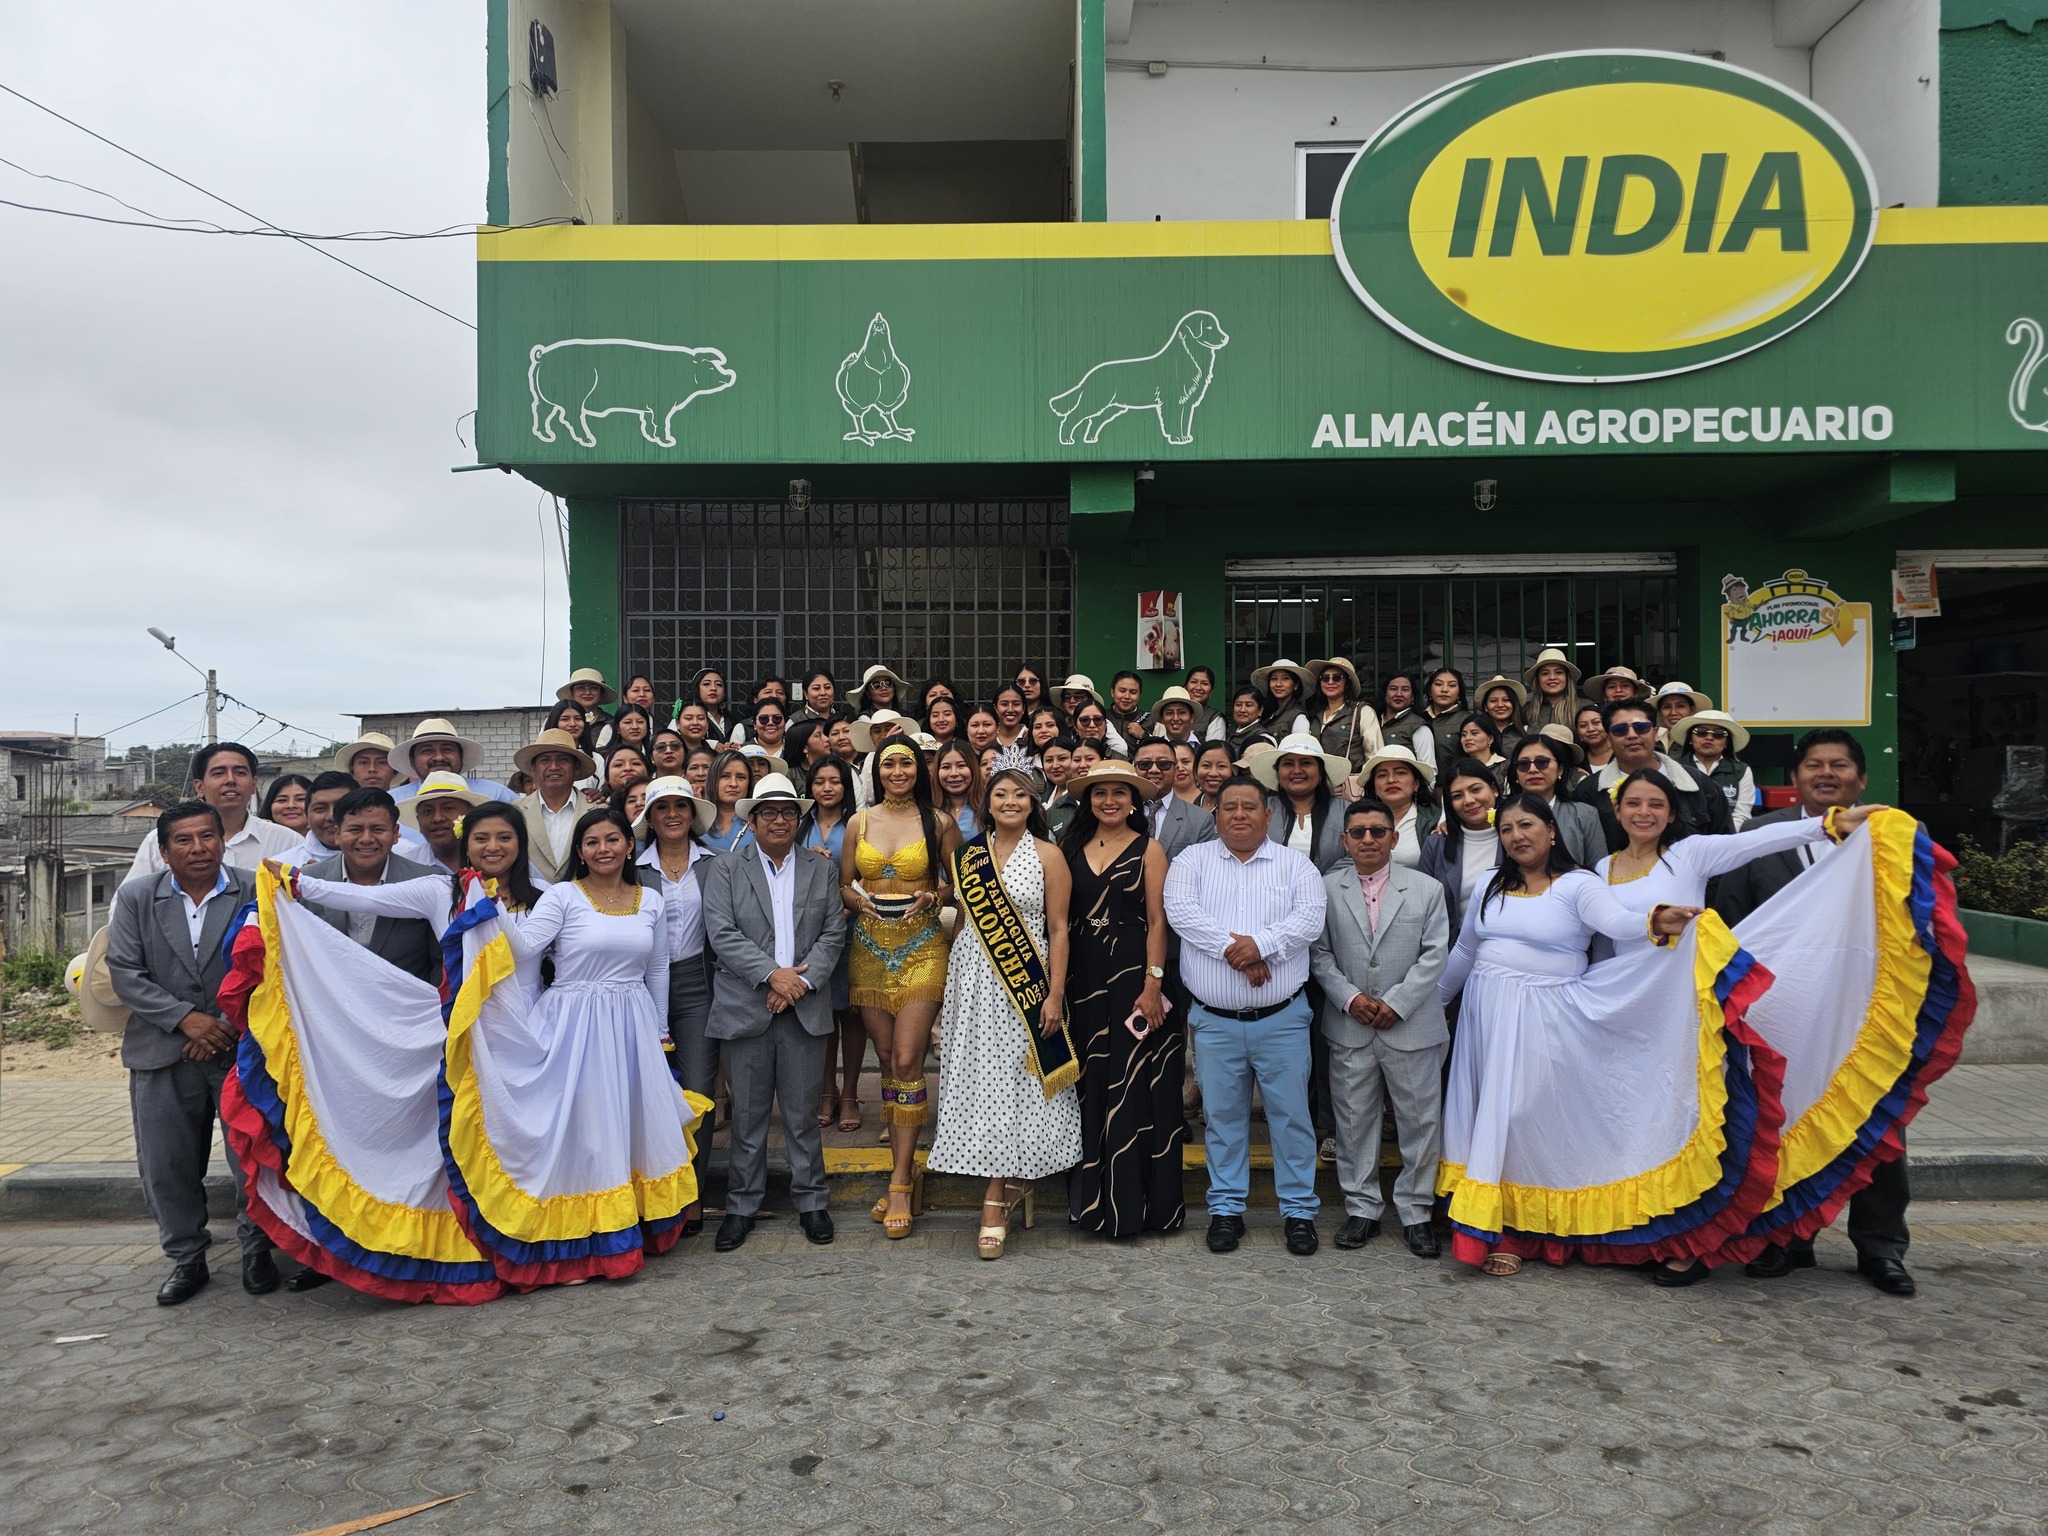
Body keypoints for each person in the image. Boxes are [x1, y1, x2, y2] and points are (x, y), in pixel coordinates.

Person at [1436, 792, 1713, 1276]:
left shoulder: (1579, 884)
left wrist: (1653, 920)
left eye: (1527, 825)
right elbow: (1464, 950)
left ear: (1551, 830)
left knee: (1522, 1116)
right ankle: (1500, 1228)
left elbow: (1616, 923)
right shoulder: (1489, 884)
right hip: (1485, 1015)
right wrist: (1433, 1004)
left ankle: (1528, 1229)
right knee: (1489, 1115)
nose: (1517, 836)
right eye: (1507, 829)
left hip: (1545, 1018)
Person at [447, 805, 700, 1283]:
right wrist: (491, 902)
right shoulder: (563, 895)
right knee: (586, 1132)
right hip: (576, 1025)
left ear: (630, 845)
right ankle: (582, 1240)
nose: (603, 849)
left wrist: (661, 1030)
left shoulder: (650, 899)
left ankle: (627, 1225)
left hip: (632, 1023)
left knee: (627, 1126)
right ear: (580, 852)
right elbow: (525, 947)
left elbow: (658, 968)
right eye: (592, 842)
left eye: (612, 839)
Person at [1712, 730, 1919, 1295]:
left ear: (1861, 778)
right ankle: (1786, 1239)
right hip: (1783, 1010)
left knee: (1878, 1127)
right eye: (1813, 765)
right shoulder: (1760, 835)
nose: (1826, 773)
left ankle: (1881, 1249)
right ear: (1795, 777)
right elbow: (1732, 919)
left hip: (1870, 1012)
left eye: (1840, 765)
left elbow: (1920, 919)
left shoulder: (1893, 834)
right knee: (1785, 1125)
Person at [107, 803, 274, 1304]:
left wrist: (221, 1023)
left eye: (207, 836)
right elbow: (125, 971)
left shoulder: (255, 888)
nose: (198, 848)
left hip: (241, 1047)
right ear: (164, 851)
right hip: (163, 1049)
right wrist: (186, 1019)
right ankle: (186, 1257)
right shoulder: (137, 896)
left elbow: (271, 962)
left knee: (253, 1157)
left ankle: (257, 1248)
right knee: (167, 1162)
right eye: (184, 840)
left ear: (223, 841)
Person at [1165, 776, 1329, 1255]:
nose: (1239, 814)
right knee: (1222, 1120)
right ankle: (1226, 1210)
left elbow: (1309, 920)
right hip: (1214, 1021)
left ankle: (1299, 1212)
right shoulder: (1191, 861)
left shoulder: (1296, 865)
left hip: (1282, 1019)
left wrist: (1262, 945)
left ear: (1268, 815)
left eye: (1249, 807)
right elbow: (1182, 913)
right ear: (1215, 815)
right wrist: (1238, 950)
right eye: (1229, 807)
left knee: (1291, 1119)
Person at [928, 769, 1085, 1258]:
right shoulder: (968, 855)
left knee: (1019, 1082)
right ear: (988, 803)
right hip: (973, 982)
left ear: (1033, 803)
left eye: (1020, 794)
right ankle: (1011, 1182)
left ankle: (997, 1196)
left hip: (1026, 984)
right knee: (982, 1082)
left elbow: (1059, 930)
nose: (1010, 801)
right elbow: (960, 920)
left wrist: (1054, 994)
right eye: (1000, 794)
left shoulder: (1049, 855)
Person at [699, 774, 848, 1252]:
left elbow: (833, 932)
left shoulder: (821, 868)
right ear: (752, 820)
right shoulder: (725, 868)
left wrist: (797, 983)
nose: (779, 820)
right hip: (746, 1005)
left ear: (798, 819)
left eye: (788, 812)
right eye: (769, 812)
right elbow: (721, 932)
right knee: (748, 1117)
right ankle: (741, 1206)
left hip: (803, 1005)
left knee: (803, 1116)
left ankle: (812, 1202)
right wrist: (771, 975)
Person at [1311, 800, 1452, 1257]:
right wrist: (1349, 997)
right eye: (1358, 832)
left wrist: (1397, 1002)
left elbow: (1435, 953)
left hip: (1411, 1024)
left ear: (1394, 838)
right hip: (1350, 1023)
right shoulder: (1326, 889)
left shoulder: (1427, 888)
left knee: (1420, 1122)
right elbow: (1318, 953)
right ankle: (1362, 1208)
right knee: (1353, 1122)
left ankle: (1416, 1212)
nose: (1368, 839)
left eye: (1377, 831)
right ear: (1344, 840)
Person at [841, 741, 959, 1236]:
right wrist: (857, 901)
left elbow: (959, 885)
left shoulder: (940, 822)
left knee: (909, 1060)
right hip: (869, 950)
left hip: (923, 949)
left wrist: (933, 896)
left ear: (919, 769)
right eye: (888, 762)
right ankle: (905, 1168)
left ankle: (899, 1184)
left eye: (906, 762)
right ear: (877, 771)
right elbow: (844, 884)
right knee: (888, 1061)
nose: (897, 770)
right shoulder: (859, 822)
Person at [1060, 760, 1181, 1237]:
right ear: (1087, 801)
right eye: (1099, 793)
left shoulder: (1150, 849)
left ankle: (1136, 1209)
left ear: (1134, 801)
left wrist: (1153, 985)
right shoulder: (1069, 848)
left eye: (1119, 792)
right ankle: (1090, 1206)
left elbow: (1158, 921)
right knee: (1089, 1088)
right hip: (1082, 981)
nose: (1109, 800)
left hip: (1134, 980)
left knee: (1134, 1090)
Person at [626, 776, 719, 1232]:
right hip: (638, 988)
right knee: (644, 1093)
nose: (673, 815)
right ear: (650, 818)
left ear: (693, 813)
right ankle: (646, 1196)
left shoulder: (716, 864)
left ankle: (693, 1195)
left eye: (681, 806)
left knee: (698, 1090)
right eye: (662, 808)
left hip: (699, 986)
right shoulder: (632, 869)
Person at [298, 788, 442, 984]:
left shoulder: (429, 882)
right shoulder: (305, 883)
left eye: (378, 829)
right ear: (337, 834)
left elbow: (442, 964)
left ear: (395, 834)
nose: (366, 839)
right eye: (355, 830)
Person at [126, 743, 301, 884]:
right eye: (219, 773)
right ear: (199, 787)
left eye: (240, 773)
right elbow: (127, 903)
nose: (231, 780)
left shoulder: (287, 841)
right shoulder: (159, 841)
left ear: (253, 784)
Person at [799, 758, 863, 1132]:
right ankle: (827, 1091)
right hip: (811, 934)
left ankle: (851, 1093)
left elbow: (867, 874)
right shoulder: (799, 824)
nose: (827, 788)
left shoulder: (859, 823)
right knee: (821, 1012)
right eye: (819, 781)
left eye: (835, 781)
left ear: (846, 787)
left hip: (853, 927)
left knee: (852, 1014)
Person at [1580, 699, 1734, 845]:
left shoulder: (1700, 785)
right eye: (1620, 730)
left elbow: (1725, 849)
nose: (1632, 735)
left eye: (1641, 728)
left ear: (1655, 733)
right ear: (1609, 738)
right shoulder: (1589, 792)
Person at [1416, 758, 1501, 938]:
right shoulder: (1436, 844)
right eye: (1457, 796)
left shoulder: (1516, 839)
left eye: (1475, 789)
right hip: (1452, 947)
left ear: (1494, 789)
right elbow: (1421, 906)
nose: (1468, 800)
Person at [1507, 728, 1606, 872]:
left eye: (1542, 762)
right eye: (1523, 764)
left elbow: (1598, 869)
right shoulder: (1503, 815)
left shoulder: (1585, 814)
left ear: (1560, 769)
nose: (1532, 770)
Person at [1252, 733, 1351, 872]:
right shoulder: (1260, 810)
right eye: (1288, 764)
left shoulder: (1346, 812)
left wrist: (1323, 881)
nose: (1297, 770)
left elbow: (1356, 856)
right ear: (1278, 772)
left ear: (1320, 772)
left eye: (1306, 763)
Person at [515, 727, 597, 885]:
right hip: (528, 898)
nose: (553, 766)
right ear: (534, 768)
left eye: (563, 759)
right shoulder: (515, 812)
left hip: (586, 897)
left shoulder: (598, 810)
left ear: (576, 767)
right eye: (545, 760)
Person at [387, 719, 517, 805]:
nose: (439, 757)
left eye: (447, 749)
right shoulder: (394, 801)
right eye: (427, 751)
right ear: (412, 761)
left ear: (461, 756)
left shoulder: (496, 795)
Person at [1132, 738, 1217, 859]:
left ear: (1175, 768)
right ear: (1135, 768)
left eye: (1163, 764)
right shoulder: (1119, 813)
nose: (1154, 770)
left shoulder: (1201, 820)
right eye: (1145, 764)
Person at [1303, 657, 1383, 785]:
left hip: (1351, 786)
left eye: (1337, 678)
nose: (1330, 682)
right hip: (1318, 787)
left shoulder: (1362, 711)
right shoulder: (1315, 715)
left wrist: (1365, 784)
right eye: (1325, 678)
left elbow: (1374, 755)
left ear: (1347, 683)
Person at [1672, 710, 1755, 829]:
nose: (1709, 738)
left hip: (1727, 836)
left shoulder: (1741, 771)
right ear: (1690, 739)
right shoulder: (1674, 767)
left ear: (1727, 742)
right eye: (1701, 732)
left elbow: (1741, 816)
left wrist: (1721, 837)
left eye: (1719, 734)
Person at [1362, 744, 1440, 868]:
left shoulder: (1437, 820)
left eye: (1400, 773)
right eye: (1382, 775)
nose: (1391, 780)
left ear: (1416, 783)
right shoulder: (1359, 820)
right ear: (1374, 787)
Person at [400, 770, 487, 876]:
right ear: (418, 820)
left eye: (448, 808)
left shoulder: (491, 859)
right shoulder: (405, 868)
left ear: (470, 814)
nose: (437, 818)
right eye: (427, 811)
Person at [701, 749, 757, 852]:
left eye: (741, 777)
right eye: (725, 776)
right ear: (712, 780)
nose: (733, 784)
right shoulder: (697, 822)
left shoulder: (759, 822)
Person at [1520, 648, 1583, 734]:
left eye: (1559, 672)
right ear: (1537, 679)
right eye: (1545, 673)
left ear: (1567, 677)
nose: (1552, 677)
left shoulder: (1583, 707)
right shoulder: (1526, 711)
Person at [933, 739, 986, 839]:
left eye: (961, 766)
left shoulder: (989, 807)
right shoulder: (927, 810)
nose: (954, 773)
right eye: (946, 767)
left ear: (973, 768)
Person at [1471, 675, 1527, 768]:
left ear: (1514, 704)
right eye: (1493, 701)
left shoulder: (1528, 731)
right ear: (1485, 707)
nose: (1500, 705)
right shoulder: (1476, 734)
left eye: (1506, 700)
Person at [1419, 668, 1471, 766]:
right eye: (1438, 684)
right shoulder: (1418, 720)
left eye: (1452, 685)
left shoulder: (1468, 721)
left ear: (1459, 693)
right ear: (1429, 691)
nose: (1444, 690)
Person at [1251, 659, 1312, 737]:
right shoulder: (1268, 713)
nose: (1278, 684)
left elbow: (1301, 743)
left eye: (1285, 679)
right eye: (1274, 679)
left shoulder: (1299, 717)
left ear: (1296, 685)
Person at [558, 667, 621, 743]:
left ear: (601, 693)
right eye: (581, 688)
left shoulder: (612, 723)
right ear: (572, 693)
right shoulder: (558, 722)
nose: (587, 692)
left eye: (593, 688)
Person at [1454, 715, 1510, 788]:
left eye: (1474, 733)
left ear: (1490, 739)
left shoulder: (1505, 767)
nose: (1467, 738)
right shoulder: (1457, 769)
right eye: (1463, 735)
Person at [689, 667, 741, 743]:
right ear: (697, 689)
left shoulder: (731, 720)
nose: (713, 688)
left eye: (719, 684)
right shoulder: (686, 718)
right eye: (706, 684)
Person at [1223, 685, 1275, 761]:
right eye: (1238, 705)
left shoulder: (1263, 738)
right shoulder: (1228, 732)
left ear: (1260, 710)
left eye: (1248, 705)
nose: (1242, 710)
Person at [331, 732, 398, 790]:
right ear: (352, 768)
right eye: (364, 762)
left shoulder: (402, 801)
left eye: (381, 762)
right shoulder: (338, 801)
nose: (372, 769)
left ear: (394, 769)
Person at [1107, 670, 1149, 744]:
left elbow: (1162, 747)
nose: (1127, 696)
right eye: (1122, 691)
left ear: (1139, 696)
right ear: (1112, 692)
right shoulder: (1102, 718)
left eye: (1133, 692)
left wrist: (1144, 735)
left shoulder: (1150, 720)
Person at [1183, 665, 1223, 739]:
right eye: (1193, 682)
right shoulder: (1173, 714)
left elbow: (1214, 746)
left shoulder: (1214, 717)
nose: (1198, 688)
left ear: (1211, 691)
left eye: (1205, 683)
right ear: (1185, 687)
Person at [1585, 663, 1653, 707]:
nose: (1618, 690)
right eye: (1611, 686)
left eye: (1625, 685)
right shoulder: (1597, 720)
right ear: (1604, 693)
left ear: (1635, 692)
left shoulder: (1645, 717)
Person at [1193, 740, 1235, 811]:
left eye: (1221, 766)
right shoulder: (1191, 806)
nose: (1213, 773)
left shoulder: (1237, 809)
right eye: (1206, 765)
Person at [1574, 702, 1613, 775]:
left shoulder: (1623, 752)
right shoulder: (1577, 761)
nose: (1590, 729)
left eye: (1596, 722)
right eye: (1583, 725)